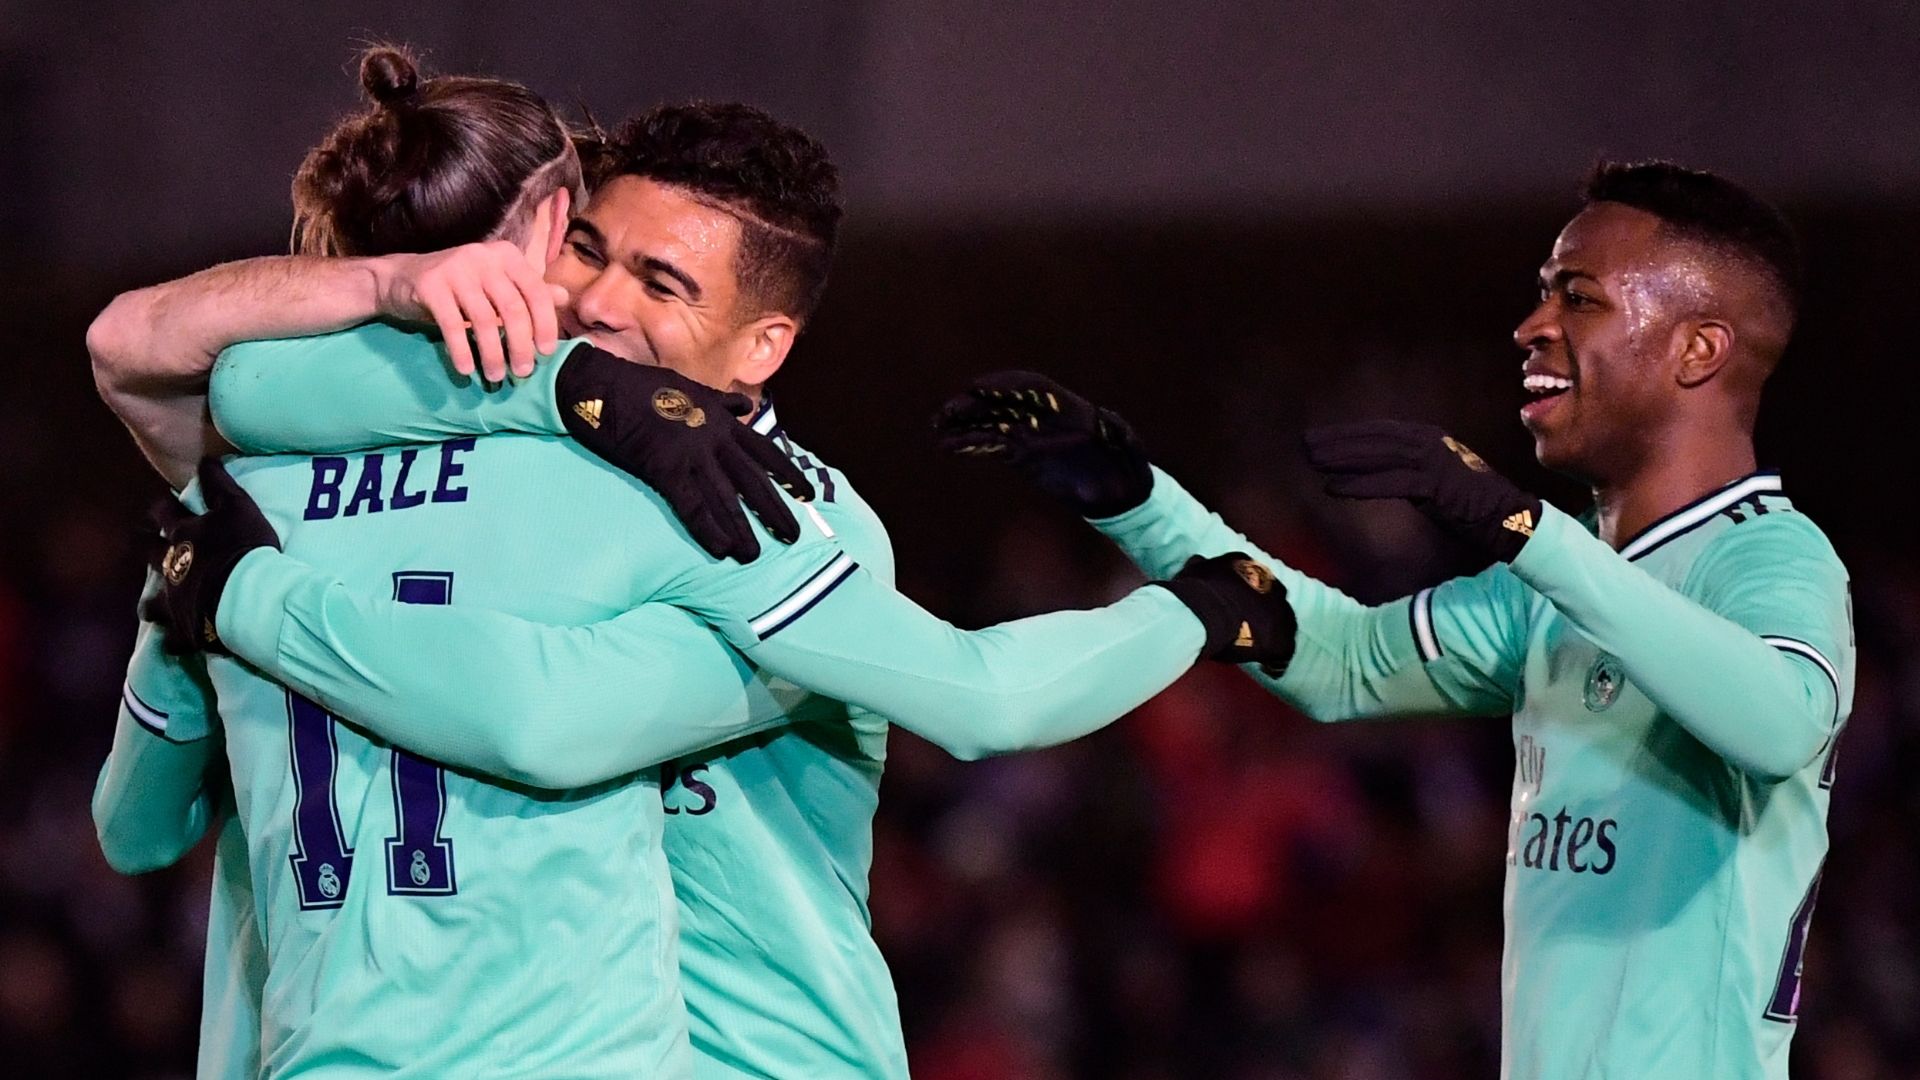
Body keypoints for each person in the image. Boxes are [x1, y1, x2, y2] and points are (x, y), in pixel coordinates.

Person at [95, 51, 1298, 1079]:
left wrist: (245, 596)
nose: (601, 307)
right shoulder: (519, 453)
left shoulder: (784, 515)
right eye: (595, 255)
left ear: (765, 344)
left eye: (660, 284)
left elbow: (546, 717)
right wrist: (554, 381)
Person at [933, 162, 1853, 1080]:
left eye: (1579, 298)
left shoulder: (1769, 556)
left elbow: (1782, 723)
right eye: (1542, 296)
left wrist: (1527, 534)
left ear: (1698, 351)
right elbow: (1343, 662)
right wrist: (1139, 504)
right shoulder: (1562, 575)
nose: (1532, 327)